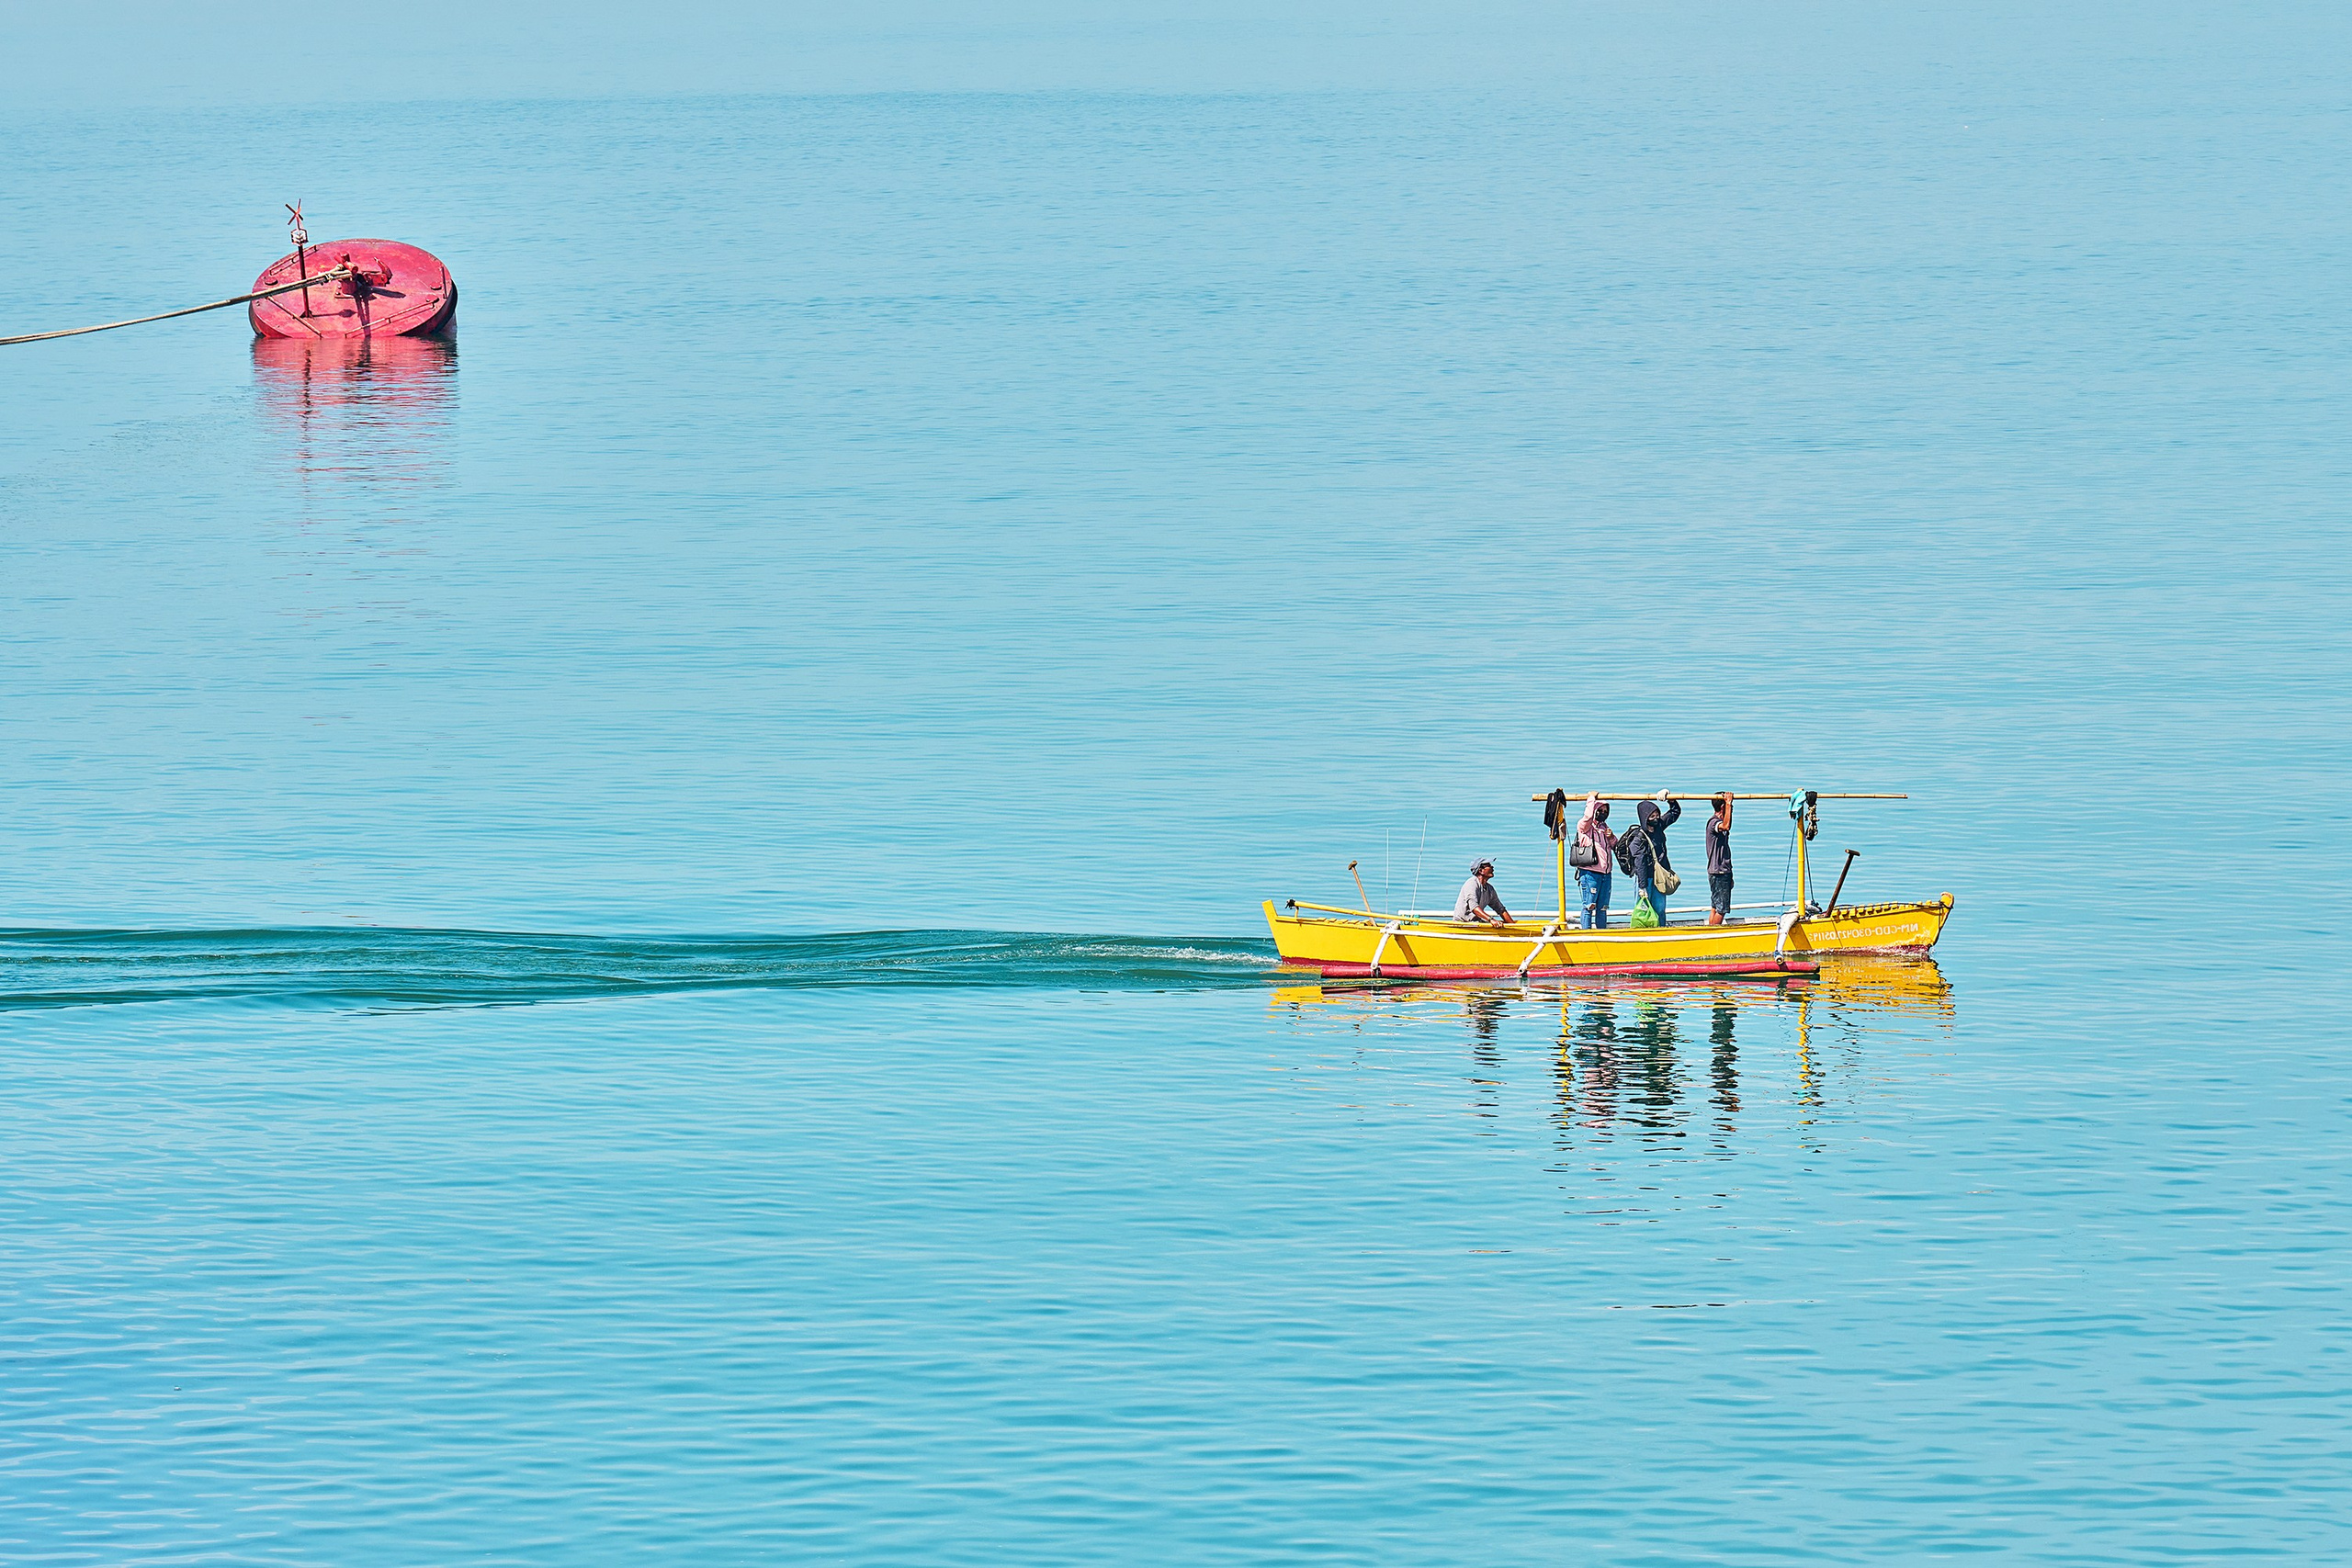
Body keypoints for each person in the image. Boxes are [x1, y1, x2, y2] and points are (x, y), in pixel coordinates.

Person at [1621, 791, 1682, 924]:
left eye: (1657, 815)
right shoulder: (1638, 839)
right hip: (1644, 877)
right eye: (1652, 816)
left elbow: (1674, 813)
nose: (1656, 818)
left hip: (1659, 877)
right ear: (1645, 819)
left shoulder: (1659, 826)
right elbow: (1640, 863)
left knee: (1660, 908)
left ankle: (1661, 930)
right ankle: (1643, 933)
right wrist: (1642, 887)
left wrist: (1670, 800)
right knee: (1644, 909)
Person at [1574, 795, 1616, 929]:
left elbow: (1615, 845)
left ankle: (1601, 932)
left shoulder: (1604, 827)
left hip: (1605, 873)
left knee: (1602, 907)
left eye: (1605, 811)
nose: (1603, 814)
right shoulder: (1585, 827)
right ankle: (1586, 933)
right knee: (1589, 905)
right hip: (1590, 872)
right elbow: (1587, 817)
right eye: (1600, 810)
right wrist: (1591, 799)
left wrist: (1611, 837)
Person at [1704, 792, 1735, 925]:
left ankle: (1710, 930)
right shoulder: (1714, 823)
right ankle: (1713, 933)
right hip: (1719, 871)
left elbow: (1728, 826)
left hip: (1722, 870)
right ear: (1722, 807)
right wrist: (1728, 803)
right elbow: (1726, 826)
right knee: (1721, 908)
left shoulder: (1719, 823)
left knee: (1715, 906)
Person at [1454, 858, 1513, 924]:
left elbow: (1500, 909)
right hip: (1463, 923)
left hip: (1477, 922)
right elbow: (1474, 908)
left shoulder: (1490, 889)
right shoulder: (1471, 884)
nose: (1492, 867)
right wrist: (1491, 920)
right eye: (1489, 866)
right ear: (1481, 870)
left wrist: (1513, 926)